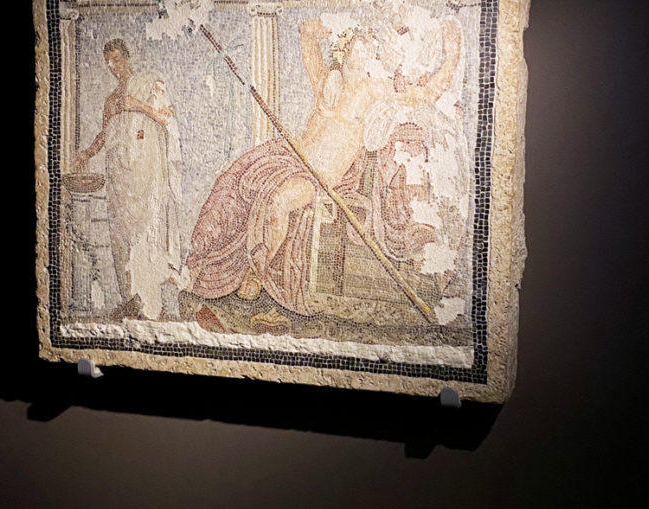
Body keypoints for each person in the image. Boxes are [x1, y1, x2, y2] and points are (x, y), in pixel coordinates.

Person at [185, 17, 460, 320]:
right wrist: (322, 32)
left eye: (370, 52)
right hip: (289, 157)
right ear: (344, 51)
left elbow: (424, 95)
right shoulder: (326, 80)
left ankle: (256, 274)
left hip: (318, 177)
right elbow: (307, 39)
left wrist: (452, 56)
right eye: (358, 50)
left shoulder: (372, 90)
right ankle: (199, 260)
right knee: (234, 181)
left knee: (280, 201)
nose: (364, 57)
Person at [75, 38, 183, 320]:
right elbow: (105, 133)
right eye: (108, 62)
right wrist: (87, 153)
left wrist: (147, 110)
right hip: (119, 174)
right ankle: (131, 299)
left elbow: (163, 117)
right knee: (121, 235)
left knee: (148, 227)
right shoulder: (110, 99)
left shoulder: (147, 83)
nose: (113, 66)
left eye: (117, 59)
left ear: (126, 56)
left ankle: (152, 302)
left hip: (145, 169)